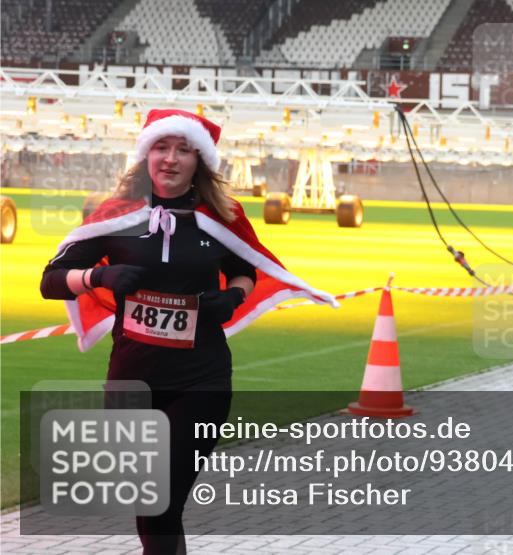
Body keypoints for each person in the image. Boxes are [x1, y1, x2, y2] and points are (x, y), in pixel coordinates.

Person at [39, 109, 336, 554]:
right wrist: (98, 278)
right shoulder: (117, 215)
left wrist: (233, 297)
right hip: (131, 380)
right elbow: (51, 280)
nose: (171, 160)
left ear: (201, 161)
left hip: (201, 378)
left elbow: (246, 269)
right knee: (150, 502)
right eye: (162, 147)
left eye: (184, 150)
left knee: (162, 501)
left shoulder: (221, 217)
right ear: (146, 155)